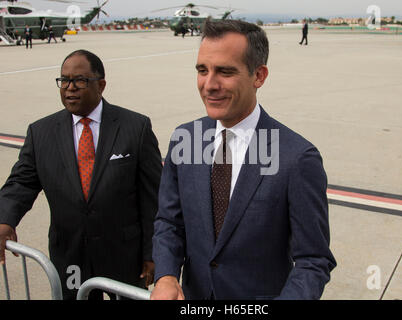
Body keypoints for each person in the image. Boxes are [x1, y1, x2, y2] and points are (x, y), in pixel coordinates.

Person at [151, 19, 336, 300]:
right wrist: (165, 277)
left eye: (225, 72)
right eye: (202, 70)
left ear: (259, 76)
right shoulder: (185, 138)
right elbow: (170, 222)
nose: (209, 85)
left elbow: (314, 260)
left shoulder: (297, 158)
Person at [0, 49, 162, 299]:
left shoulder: (135, 128)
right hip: (70, 255)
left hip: (125, 256)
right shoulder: (41, 133)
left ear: (101, 85)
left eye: (79, 80)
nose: (70, 88)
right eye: (64, 80)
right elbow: (21, 183)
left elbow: (153, 198)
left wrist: (153, 253)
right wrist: (4, 219)